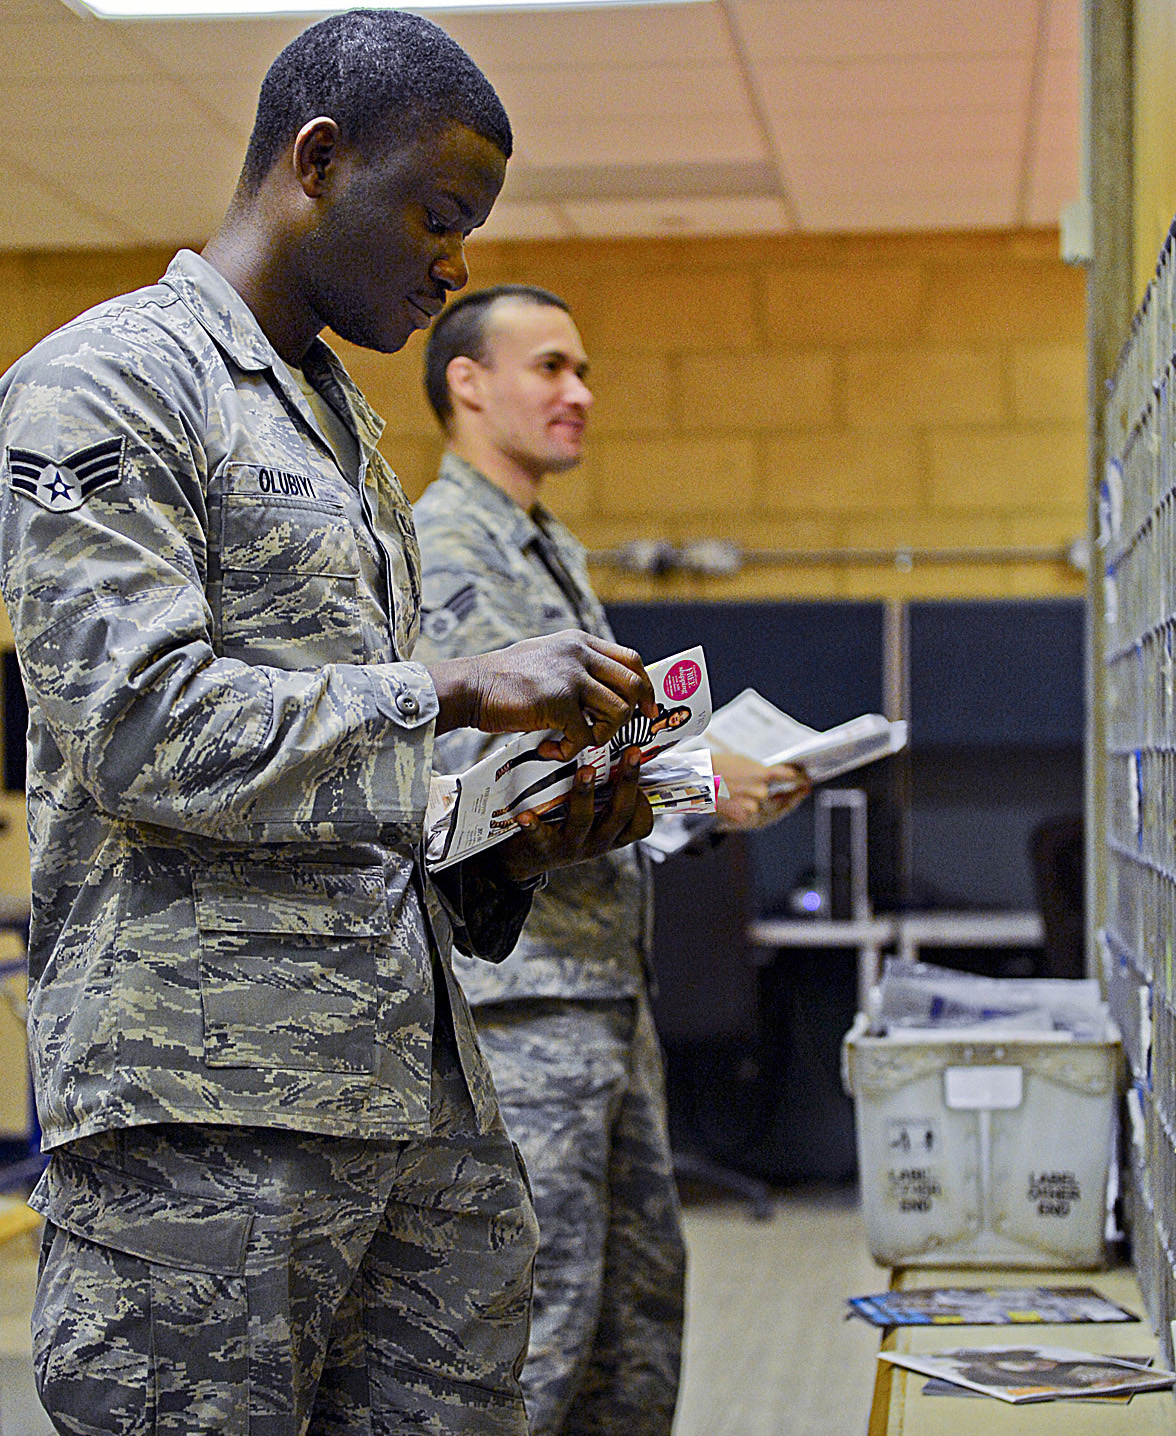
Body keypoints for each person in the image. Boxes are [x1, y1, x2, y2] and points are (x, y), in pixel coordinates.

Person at [0, 16, 661, 1435]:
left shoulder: (344, 427)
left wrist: (511, 850)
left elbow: (349, 788)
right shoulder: (107, 384)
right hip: (209, 1125)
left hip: (411, 1095)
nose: (455, 263)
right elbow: (140, 724)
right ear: (316, 162)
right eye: (437, 215)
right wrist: (458, 687)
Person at [413, 283, 809, 1436]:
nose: (579, 391)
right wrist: (686, 768)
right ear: (467, 382)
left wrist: (695, 787)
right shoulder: (448, 549)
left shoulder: (545, 550)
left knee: (629, 1342)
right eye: (550, 366)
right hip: (524, 1003)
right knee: (535, 1340)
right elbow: (480, 787)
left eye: (584, 369)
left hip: (600, 993)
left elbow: (578, 769)